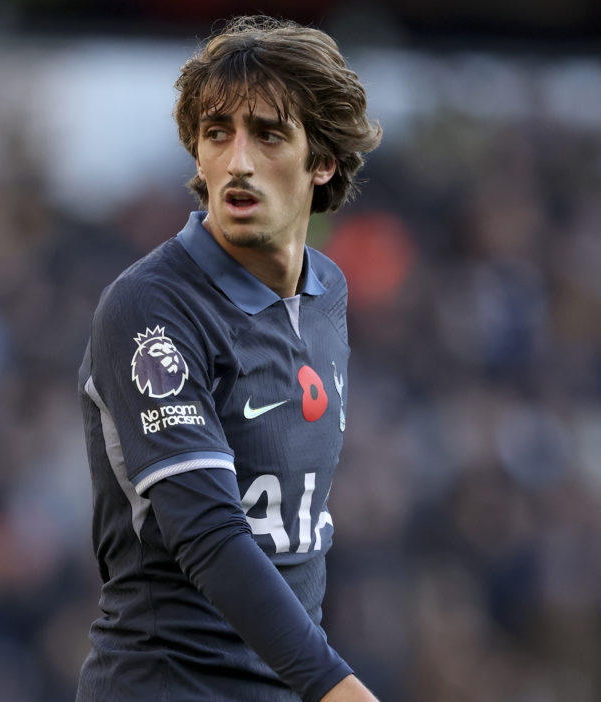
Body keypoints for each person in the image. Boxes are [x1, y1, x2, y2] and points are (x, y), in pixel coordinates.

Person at [76, 15, 382, 702]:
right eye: (218, 134)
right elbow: (211, 534)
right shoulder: (150, 308)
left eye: (268, 134)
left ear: (321, 161)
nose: (238, 161)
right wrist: (337, 688)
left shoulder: (327, 293)